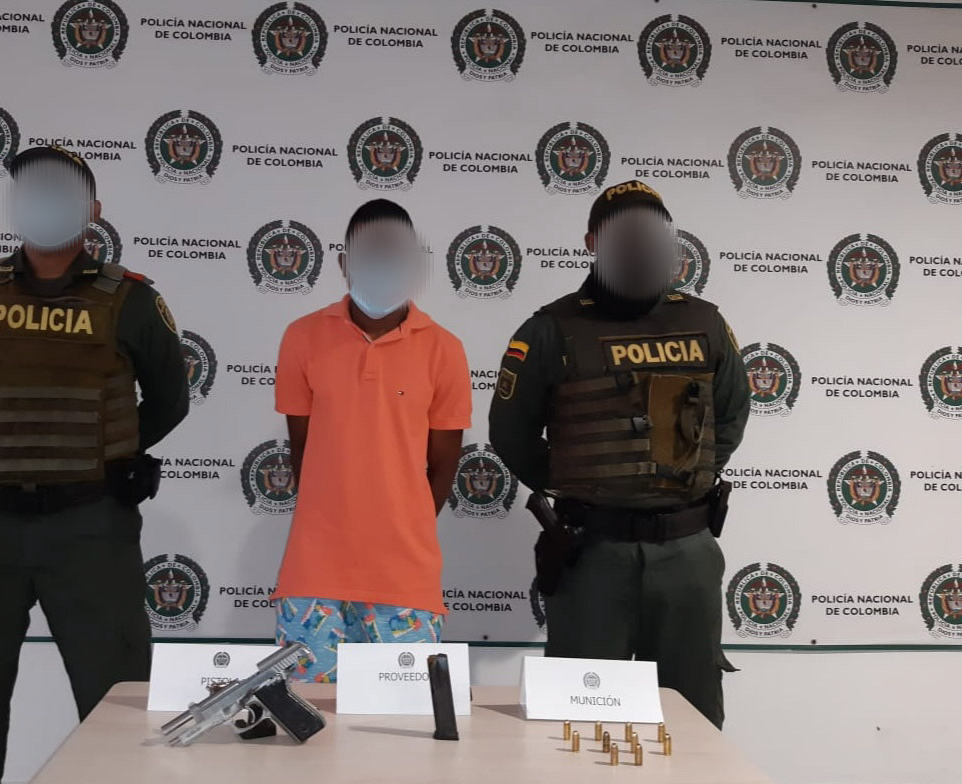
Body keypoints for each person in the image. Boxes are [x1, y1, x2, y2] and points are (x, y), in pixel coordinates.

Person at [0, 145, 189, 784]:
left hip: (90, 526)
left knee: (118, 707)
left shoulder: (130, 300)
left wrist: (106, 456)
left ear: (92, 210)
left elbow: (169, 399)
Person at [488, 180, 750, 729]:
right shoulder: (551, 329)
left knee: (692, 722)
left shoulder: (705, 323)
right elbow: (511, 434)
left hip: (687, 554)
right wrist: (582, 483)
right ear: (592, 242)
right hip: (593, 554)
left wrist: (682, 478)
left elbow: (729, 417)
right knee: (579, 721)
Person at [272, 199, 472, 681]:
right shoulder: (302, 337)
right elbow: (302, 452)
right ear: (344, 262)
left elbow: (444, 466)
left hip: (404, 580)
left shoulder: (445, 349)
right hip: (313, 574)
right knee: (308, 717)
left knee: (400, 719)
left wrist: (399, 525)